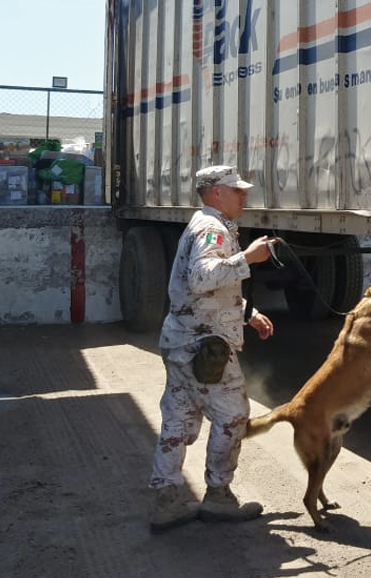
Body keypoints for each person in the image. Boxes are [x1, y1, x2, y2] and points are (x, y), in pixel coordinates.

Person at [148, 164, 277, 533]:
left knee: (177, 419)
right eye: (236, 190)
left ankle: (166, 500)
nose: (244, 195)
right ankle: (218, 495)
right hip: (203, 346)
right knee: (233, 415)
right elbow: (202, 277)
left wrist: (248, 313)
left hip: (181, 340)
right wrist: (248, 258)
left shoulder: (204, 223)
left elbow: (204, 289)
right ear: (216, 192)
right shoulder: (212, 229)